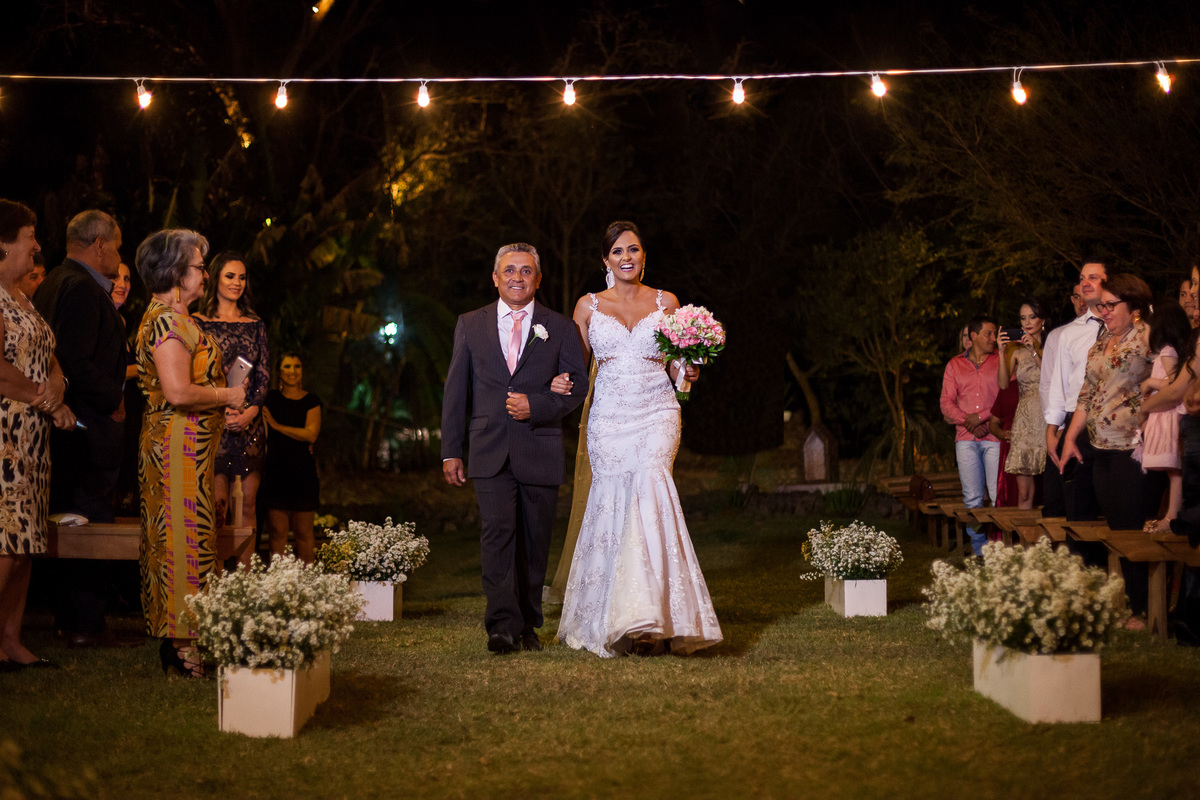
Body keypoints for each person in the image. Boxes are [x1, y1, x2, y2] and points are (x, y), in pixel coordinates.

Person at [555, 221, 722, 657]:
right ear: (605, 260)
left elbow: (676, 368)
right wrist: (554, 385)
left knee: (651, 490)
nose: (626, 257)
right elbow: (575, 368)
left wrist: (688, 368)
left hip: (657, 413)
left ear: (644, 255)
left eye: (633, 249)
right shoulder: (588, 306)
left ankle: (655, 623)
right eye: (617, 251)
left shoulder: (667, 302)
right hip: (609, 419)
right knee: (615, 503)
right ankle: (618, 617)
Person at [441, 242, 587, 655]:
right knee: (497, 536)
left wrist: (537, 405)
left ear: (538, 279)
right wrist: (451, 450)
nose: (517, 278)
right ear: (495, 277)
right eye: (509, 270)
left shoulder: (560, 327)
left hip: (539, 447)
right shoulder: (470, 324)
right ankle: (502, 626)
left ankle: (528, 625)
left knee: (534, 541)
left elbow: (577, 385)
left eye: (525, 271)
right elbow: (456, 391)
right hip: (488, 449)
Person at [134, 229, 246, 677]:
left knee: (195, 538)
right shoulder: (166, 322)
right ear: (177, 273)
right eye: (199, 266)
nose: (205, 274)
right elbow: (178, 392)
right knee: (181, 542)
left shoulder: (182, 319)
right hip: (175, 448)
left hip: (192, 448)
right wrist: (227, 396)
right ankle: (181, 646)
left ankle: (193, 638)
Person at [32, 209, 137, 649]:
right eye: (117, 245)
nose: (118, 255)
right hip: (86, 428)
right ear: (100, 244)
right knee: (89, 525)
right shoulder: (81, 288)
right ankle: (86, 623)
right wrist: (114, 399)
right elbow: (74, 360)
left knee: (69, 522)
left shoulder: (54, 281)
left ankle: (69, 619)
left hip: (67, 427)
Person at [0, 200, 76, 671]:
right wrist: (45, 399)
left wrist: (58, 383)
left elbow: (50, 356)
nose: (36, 245)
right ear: (3, 243)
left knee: (26, 541)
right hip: (5, 437)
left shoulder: (23, 298)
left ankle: (11, 638)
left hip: (33, 438)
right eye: (29, 236)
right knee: (6, 542)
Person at [1060, 274, 1158, 622]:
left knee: (1134, 527)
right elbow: (1086, 393)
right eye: (1101, 305)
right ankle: (1129, 605)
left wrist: (1150, 402)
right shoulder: (1102, 341)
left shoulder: (1148, 337)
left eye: (1110, 305)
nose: (1103, 311)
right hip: (1099, 447)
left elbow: (1171, 376)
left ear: (1133, 306)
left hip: (1133, 447)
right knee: (1117, 528)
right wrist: (1070, 438)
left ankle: (1143, 610)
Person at [193, 251, 269, 549]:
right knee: (218, 508)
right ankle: (217, 576)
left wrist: (250, 412)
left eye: (242, 277)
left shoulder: (255, 324)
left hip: (250, 424)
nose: (237, 282)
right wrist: (221, 410)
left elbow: (264, 375)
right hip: (214, 421)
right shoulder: (197, 323)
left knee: (249, 505)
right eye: (230, 276)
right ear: (215, 278)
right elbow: (195, 376)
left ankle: (249, 577)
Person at [1041, 266, 1107, 519]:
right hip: (1076, 423)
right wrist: (1052, 429)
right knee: (1077, 503)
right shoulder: (1069, 333)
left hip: (1114, 419)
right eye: (1081, 278)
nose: (1085, 283)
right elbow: (1058, 385)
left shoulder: (1126, 327)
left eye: (1093, 277)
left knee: (1110, 501)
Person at [939, 315, 1000, 555]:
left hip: (994, 437)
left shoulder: (1000, 361)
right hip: (966, 439)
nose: (993, 338)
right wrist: (969, 421)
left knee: (997, 495)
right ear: (974, 336)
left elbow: (1007, 396)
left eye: (995, 333)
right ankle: (980, 551)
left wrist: (982, 417)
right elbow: (946, 402)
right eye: (989, 333)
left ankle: (1000, 549)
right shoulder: (954, 365)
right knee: (972, 499)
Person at [1136, 303, 1193, 531]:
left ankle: (1172, 516)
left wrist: (1150, 382)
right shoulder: (1167, 352)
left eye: (1145, 328)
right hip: (1166, 413)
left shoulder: (1167, 351)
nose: (1143, 333)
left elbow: (1174, 382)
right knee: (1173, 471)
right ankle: (1171, 515)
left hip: (1169, 415)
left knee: (1174, 470)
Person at [261, 352, 322, 564]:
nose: (292, 371)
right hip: (275, 472)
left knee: (303, 533)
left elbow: (311, 434)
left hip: (302, 474)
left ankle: (308, 581)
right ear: (279, 372)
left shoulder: (311, 400)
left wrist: (277, 426)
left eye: (297, 366)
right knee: (277, 533)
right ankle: (280, 581)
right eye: (287, 366)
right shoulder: (270, 399)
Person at [995, 300, 1047, 508]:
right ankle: (1024, 530)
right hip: (1025, 419)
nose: (1027, 322)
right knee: (1023, 492)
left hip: (1048, 417)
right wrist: (1001, 352)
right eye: (1023, 318)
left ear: (1042, 320)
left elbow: (1051, 378)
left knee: (1051, 486)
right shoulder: (1016, 352)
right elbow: (1003, 384)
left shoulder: (1052, 345)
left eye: (1032, 317)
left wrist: (1034, 351)